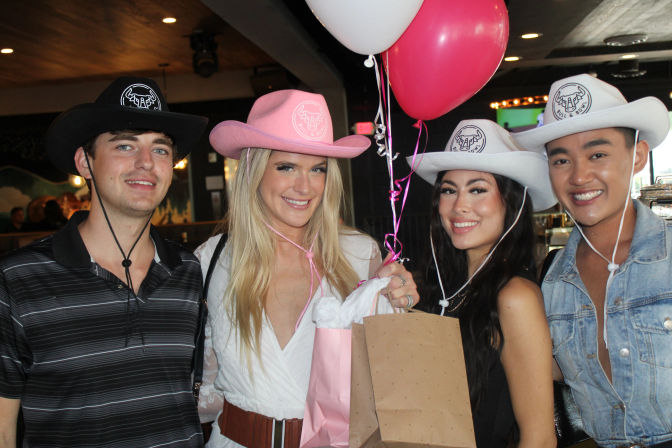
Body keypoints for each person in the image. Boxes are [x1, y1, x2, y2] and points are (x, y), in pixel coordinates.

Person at [196, 89, 419, 448]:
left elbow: (392, 377)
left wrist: (401, 309)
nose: (305, 186)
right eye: (286, 167)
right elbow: (200, 385)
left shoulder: (359, 255)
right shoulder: (211, 260)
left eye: (318, 169)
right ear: (253, 169)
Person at [0, 77, 208, 447]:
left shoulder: (188, 271)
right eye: (125, 145)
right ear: (85, 161)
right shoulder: (17, 279)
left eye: (160, 150)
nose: (146, 163)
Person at [514, 74, 672, 448]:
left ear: (637, 156)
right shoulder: (549, 281)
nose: (580, 176)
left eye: (597, 154)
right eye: (562, 160)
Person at [410, 119, 557, 448]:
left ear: (511, 202)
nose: (459, 205)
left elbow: (539, 438)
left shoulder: (514, 297)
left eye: (478, 189)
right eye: (449, 190)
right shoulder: (447, 288)